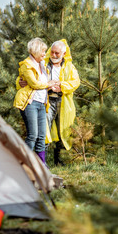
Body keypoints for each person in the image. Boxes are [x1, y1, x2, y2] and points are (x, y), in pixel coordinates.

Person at [18, 39, 80, 165]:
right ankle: (39, 162)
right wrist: (19, 82)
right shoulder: (42, 62)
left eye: (57, 53)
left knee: (64, 130)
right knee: (44, 131)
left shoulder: (69, 66)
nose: (54, 55)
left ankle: (59, 160)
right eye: (52, 52)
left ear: (63, 53)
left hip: (63, 101)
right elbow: (25, 77)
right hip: (46, 100)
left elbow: (76, 82)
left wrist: (62, 86)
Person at [13, 37, 55, 165]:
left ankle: (41, 164)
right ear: (36, 51)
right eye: (43, 51)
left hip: (42, 104)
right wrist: (49, 84)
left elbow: (28, 82)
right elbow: (34, 84)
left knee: (41, 136)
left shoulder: (42, 65)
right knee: (33, 135)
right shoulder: (27, 64)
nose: (45, 54)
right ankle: (23, 163)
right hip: (30, 103)